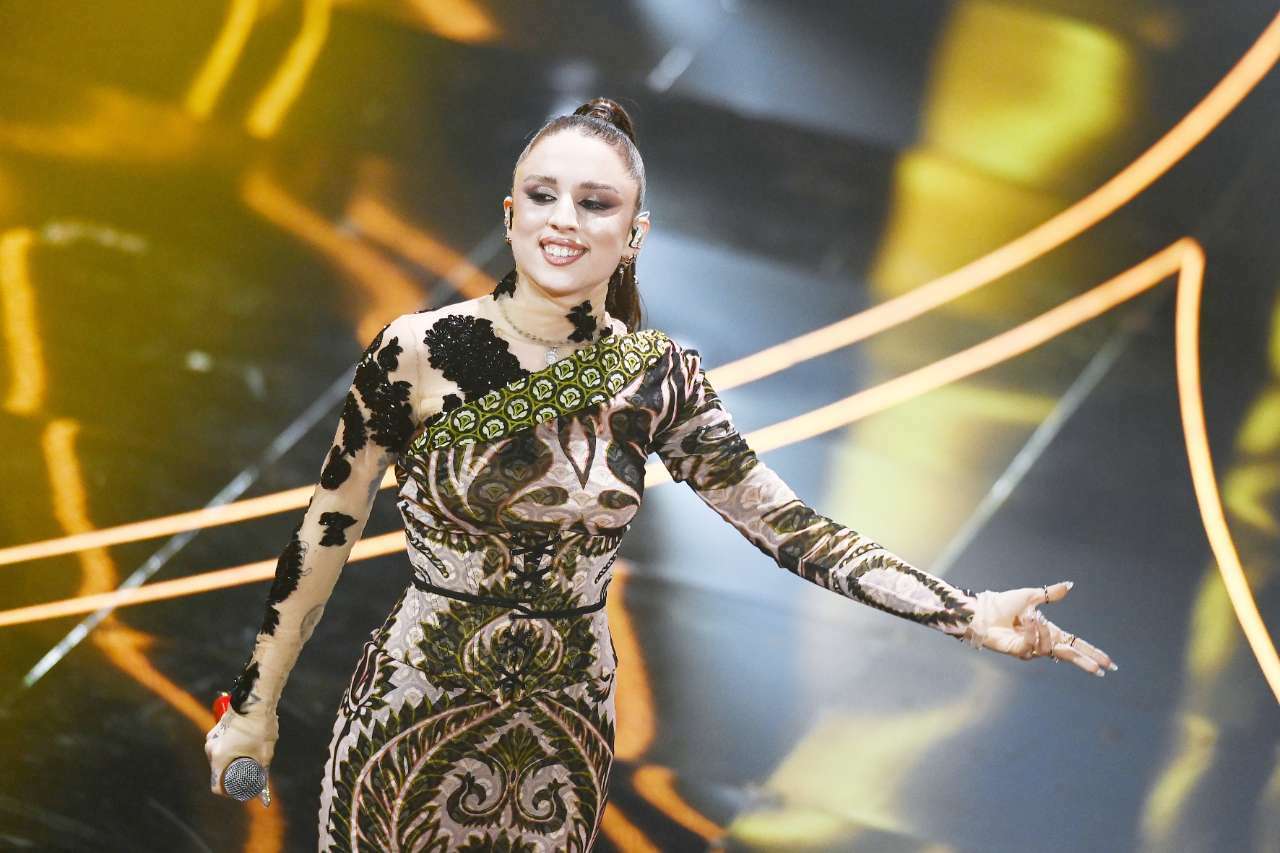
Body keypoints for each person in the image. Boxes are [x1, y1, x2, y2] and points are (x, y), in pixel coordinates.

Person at [204, 97, 1117, 851]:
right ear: (511, 212)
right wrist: (254, 707)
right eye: (543, 195)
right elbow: (324, 534)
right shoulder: (417, 352)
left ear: (634, 233)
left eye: (595, 203)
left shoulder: (658, 376)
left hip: (561, 730)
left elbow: (791, 529)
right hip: (411, 710)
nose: (565, 219)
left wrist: (965, 613)